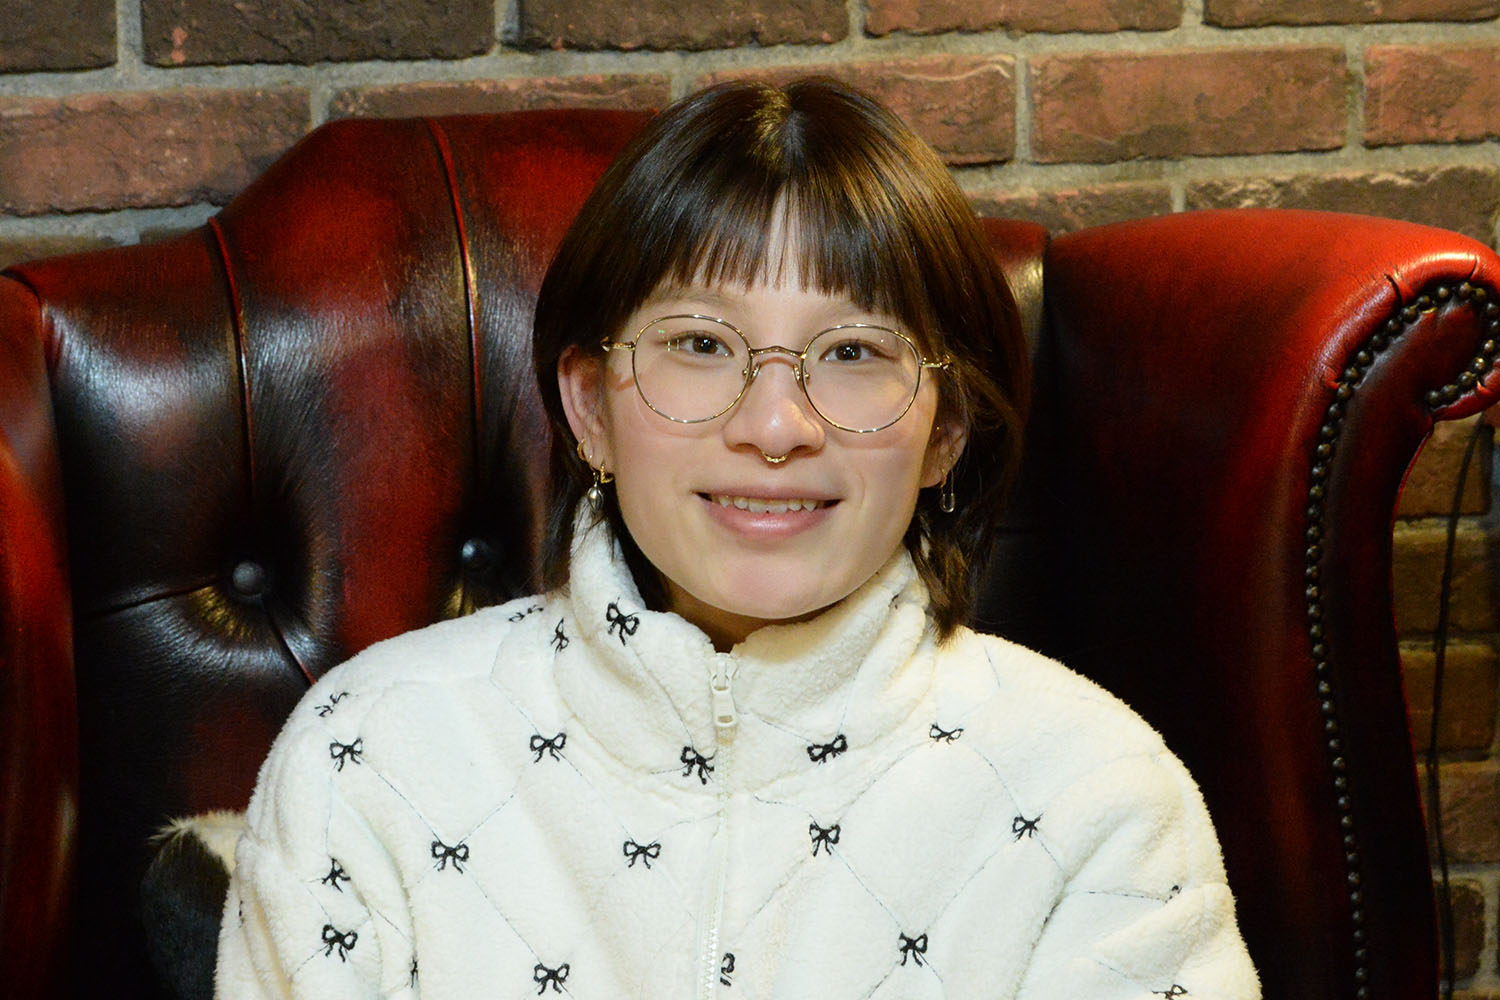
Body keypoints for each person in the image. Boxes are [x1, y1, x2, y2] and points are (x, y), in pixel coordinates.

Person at [215, 79, 1260, 998]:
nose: (774, 426)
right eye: (701, 343)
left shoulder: (1094, 791)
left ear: (946, 431)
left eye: (852, 352)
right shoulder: (371, 753)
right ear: (589, 407)